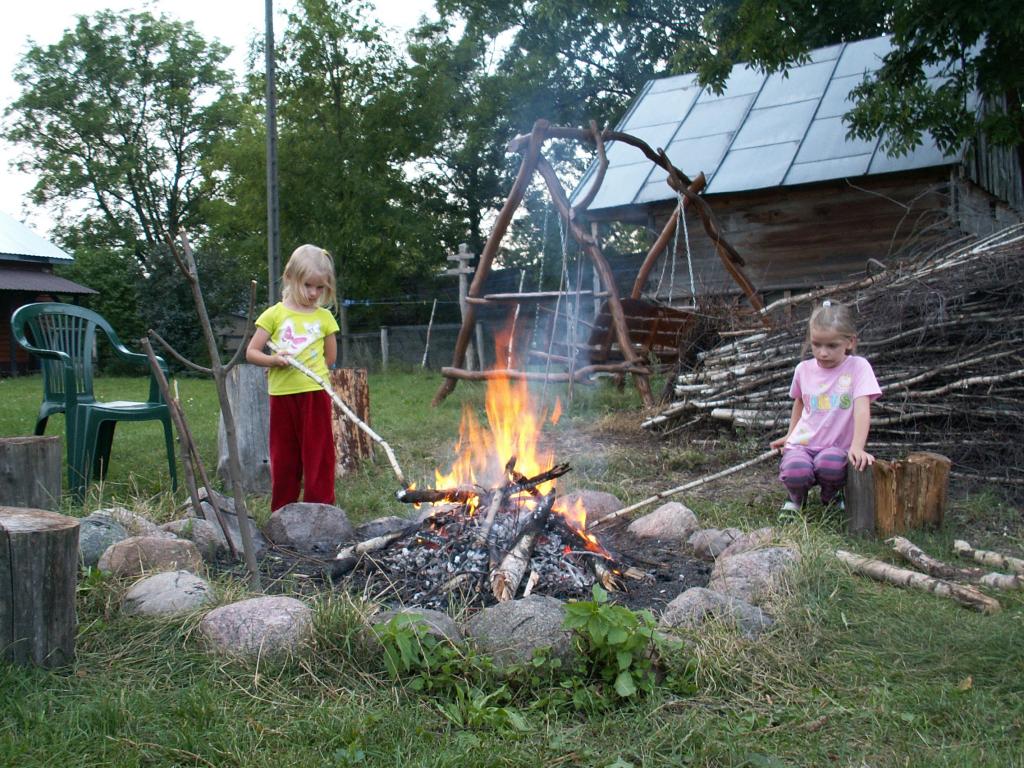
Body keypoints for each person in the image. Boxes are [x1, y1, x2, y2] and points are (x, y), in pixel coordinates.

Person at [247, 244, 340, 511]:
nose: (313, 293)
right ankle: (283, 511)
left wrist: (312, 373)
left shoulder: (324, 318)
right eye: (308, 285)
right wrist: (273, 360)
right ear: (290, 278)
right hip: (282, 396)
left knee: (318, 453)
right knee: (284, 456)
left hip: (315, 394)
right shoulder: (274, 314)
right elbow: (252, 352)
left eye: (320, 288)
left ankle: (321, 508)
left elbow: (330, 358)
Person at [770, 300, 881, 512]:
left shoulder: (858, 368)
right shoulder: (803, 369)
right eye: (816, 344)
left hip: (835, 446)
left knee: (830, 466)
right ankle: (795, 498)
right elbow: (800, 402)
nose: (822, 353)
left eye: (832, 346)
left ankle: (830, 496)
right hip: (802, 442)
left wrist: (857, 446)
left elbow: (861, 409)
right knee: (795, 469)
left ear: (850, 342)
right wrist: (790, 434)